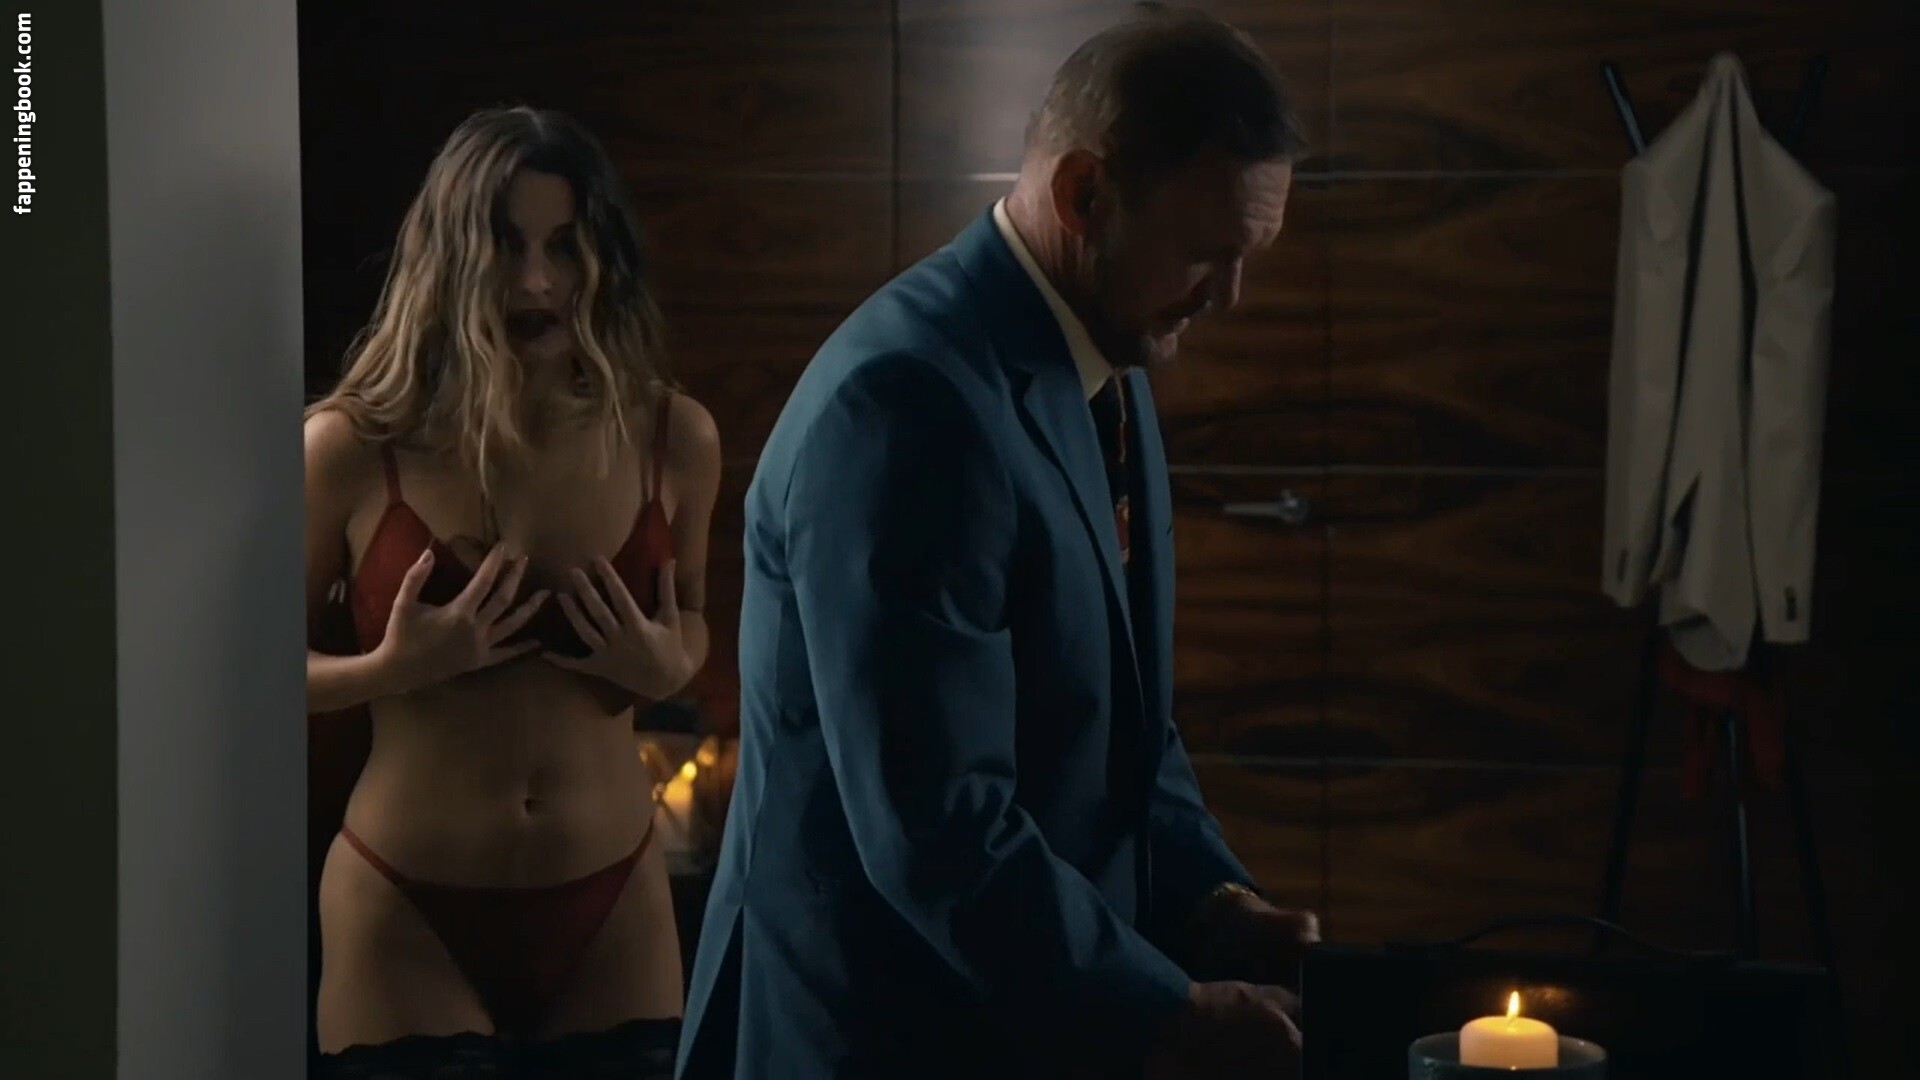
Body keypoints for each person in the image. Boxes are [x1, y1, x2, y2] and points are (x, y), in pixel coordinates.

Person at [677, 7, 1318, 1079]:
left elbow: (1121, 720)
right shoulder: (906, 404)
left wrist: (1211, 899)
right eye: (1208, 254)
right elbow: (936, 825)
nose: (1229, 297)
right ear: (1084, 194)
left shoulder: (1109, 355)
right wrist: (1166, 1015)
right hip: (876, 1041)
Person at [304, 105, 721, 1079]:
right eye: (504, 245)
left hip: (617, 904)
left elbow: (695, 615)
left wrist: (667, 663)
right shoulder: (352, 448)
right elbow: (260, 674)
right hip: (407, 909)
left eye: (564, 246)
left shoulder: (674, 437)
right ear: (450, 257)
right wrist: (391, 668)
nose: (536, 280)